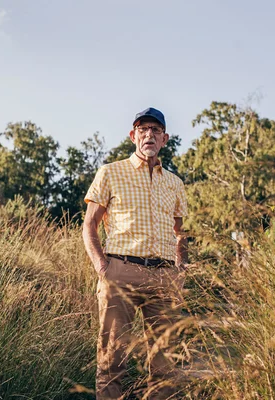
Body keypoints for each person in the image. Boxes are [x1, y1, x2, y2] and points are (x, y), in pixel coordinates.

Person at [82, 107, 189, 399]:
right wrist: (102, 268)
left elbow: (181, 232)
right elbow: (89, 225)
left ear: (165, 138)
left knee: (166, 365)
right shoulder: (110, 173)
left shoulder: (175, 183)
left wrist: (180, 268)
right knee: (112, 360)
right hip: (121, 272)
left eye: (155, 130)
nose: (149, 135)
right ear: (133, 136)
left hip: (165, 278)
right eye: (143, 130)